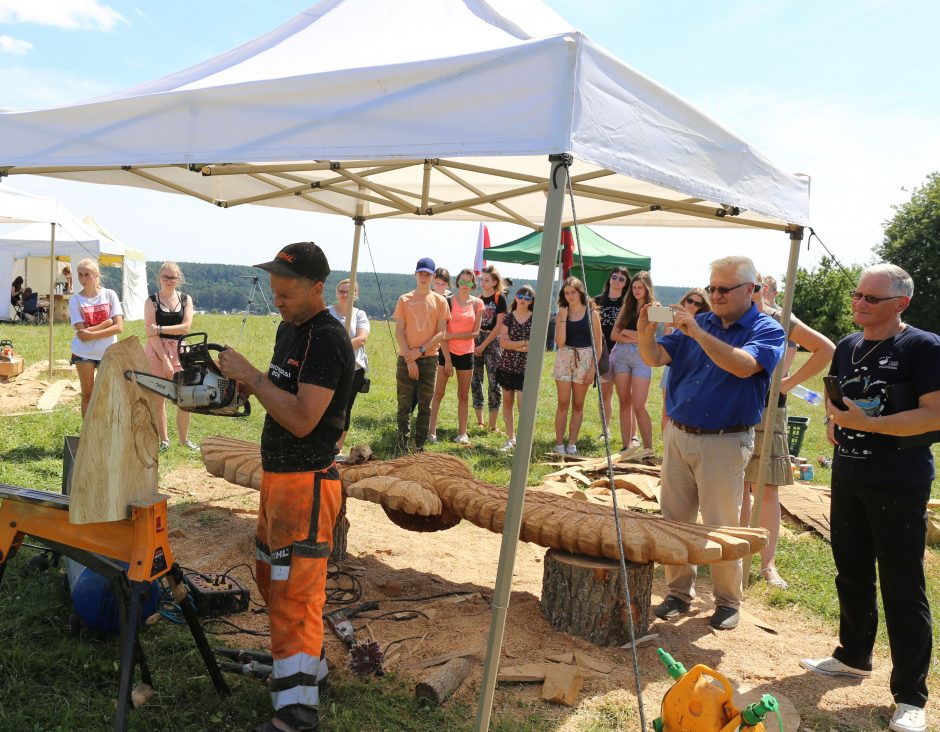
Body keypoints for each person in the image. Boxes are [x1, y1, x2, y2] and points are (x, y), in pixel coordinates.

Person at [217, 242, 354, 732]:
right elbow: (281, 393)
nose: (278, 301)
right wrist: (240, 387)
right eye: (274, 292)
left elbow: (301, 419)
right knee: (271, 578)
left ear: (317, 289)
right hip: (279, 477)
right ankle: (309, 672)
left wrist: (251, 377)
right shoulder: (288, 330)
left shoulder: (328, 340)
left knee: (295, 594)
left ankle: (296, 714)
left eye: (287, 294)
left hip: (307, 481)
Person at [800, 264, 940, 732]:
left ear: (900, 304)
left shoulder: (922, 347)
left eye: (871, 298)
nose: (859, 303)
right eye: (857, 295)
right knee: (851, 570)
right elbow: (835, 400)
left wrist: (871, 425)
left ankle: (911, 696)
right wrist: (832, 422)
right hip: (849, 475)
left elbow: (933, 416)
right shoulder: (847, 345)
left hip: (899, 481)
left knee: (902, 585)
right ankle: (854, 656)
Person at [638, 255, 785, 631]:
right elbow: (655, 357)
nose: (715, 295)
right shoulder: (699, 321)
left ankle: (727, 600)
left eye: (723, 289)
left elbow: (743, 366)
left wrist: (699, 334)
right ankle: (678, 593)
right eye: (711, 288)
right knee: (675, 520)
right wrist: (644, 331)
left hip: (724, 440)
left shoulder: (767, 329)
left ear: (750, 291)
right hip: (680, 434)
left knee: (721, 525)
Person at [740, 271, 834, 590]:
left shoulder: (780, 317)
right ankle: (735, 556)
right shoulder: (728, 315)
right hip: (732, 407)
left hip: (768, 408)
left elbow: (823, 350)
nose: (755, 291)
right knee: (737, 487)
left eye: (759, 287)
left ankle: (767, 565)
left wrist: (789, 384)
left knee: (766, 489)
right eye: (749, 286)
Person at [394, 257, 449, 452]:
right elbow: (399, 331)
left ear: (433, 276)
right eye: (421, 273)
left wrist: (420, 352)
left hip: (429, 359)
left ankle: (419, 446)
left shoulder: (441, 301)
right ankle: (402, 445)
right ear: (415, 274)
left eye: (427, 274)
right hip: (406, 359)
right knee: (404, 406)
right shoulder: (404, 299)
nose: (424, 277)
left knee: (425, 406)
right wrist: (410, 358)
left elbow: (441, 333)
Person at [144, 262, 197, 452]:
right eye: (165, 277)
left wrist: (159, 328)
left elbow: (186, 327)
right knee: (159, 397)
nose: (169, 281)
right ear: (159, 278)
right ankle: (164, 440)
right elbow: (150, 334)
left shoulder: (185, 299)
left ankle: (184, 439)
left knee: (186, 396)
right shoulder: (151, 301)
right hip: (157, 351)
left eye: (172, 277)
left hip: (181, 350)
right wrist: (165, 359)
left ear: (178, 279)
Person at [428, 268, 482, 445]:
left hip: (467, 353)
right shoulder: (447, 302)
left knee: (463, 395)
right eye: (462, 281)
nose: (465, 285)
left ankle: (462, 433)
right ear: (457, 282)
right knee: (438, 393)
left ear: (473, 284)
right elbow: (442, 334)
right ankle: (431, 432)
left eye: (469, 282)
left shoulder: (477, 304)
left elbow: (475, 333)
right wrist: (448, 360)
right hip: (447, 353)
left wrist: (451, 336)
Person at [553, 276, 603, 456]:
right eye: (566, 293)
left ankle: (572, 443)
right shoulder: (562, 313)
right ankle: (559, 443)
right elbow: (560, 342)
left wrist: (593, 369)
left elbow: (598, 345)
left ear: (581, 292)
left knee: (578, 403)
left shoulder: (592, 314)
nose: (570, 296)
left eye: (573, 292)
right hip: (565, 356)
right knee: (563, 402)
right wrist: (564, 317)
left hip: (585, 358)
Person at [69, 258, 124, 416]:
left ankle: (105, 434)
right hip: (84, 353)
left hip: (108, 353)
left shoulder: (109, 294)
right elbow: (82, 336)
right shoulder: (76, 300)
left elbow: (119, 327)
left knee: (107, 395)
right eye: (80, 275)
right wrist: (106, 324)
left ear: (96, 275)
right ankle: (88, 438)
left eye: (87, 274)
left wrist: (92, 332)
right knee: (88, 394)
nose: (83, 279)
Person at [610, 271, 655, 449]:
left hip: (642, 356)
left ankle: (648, 449)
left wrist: (626, 333)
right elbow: (614, 334)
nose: (636, 290)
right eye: (634, 287)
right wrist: (633, 337)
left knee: (639, 405)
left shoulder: (654, 308)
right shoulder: (626, 307)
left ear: (647, 288)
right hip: (621, 355)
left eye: (640, 287)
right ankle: (626, 447)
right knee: (624, 402)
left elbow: (648, 336)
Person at [327, 278, 370, 454]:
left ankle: (337, 447)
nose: (345, 295)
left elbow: (362, 338)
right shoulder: (327, 313)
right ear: (337, 293)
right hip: (329, 367)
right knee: (326, 404)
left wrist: (339, 347)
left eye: (349, 291)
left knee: (344, 407)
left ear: (355, 294)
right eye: (342, 291)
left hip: (353, 369)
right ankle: (323, 441)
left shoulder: (359, 314)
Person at [660, 289, 711, 430]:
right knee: (666, 410)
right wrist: (666, 325)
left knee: (681, 413)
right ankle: (667, 450)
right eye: (690, 300)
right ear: (684, 300)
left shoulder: (704, 324)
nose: (692, 305)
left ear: (702, 307)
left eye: (697, 303)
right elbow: (664, 343)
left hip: (690, 370)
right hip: (671, 366)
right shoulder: (673, 318)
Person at [495, 285, 534, 452]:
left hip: (526, 366)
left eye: (528, 297)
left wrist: (514, 345)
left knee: (522, 404)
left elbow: (535, 345)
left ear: (532, 301)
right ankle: (511, 438)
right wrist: (524, 343)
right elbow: (503, 343)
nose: (523, 299)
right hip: (507, 364)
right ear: (516, 297)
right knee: (508, 402)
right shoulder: (509, 318)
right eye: (521, 295)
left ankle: (524, 439)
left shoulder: (535, 319)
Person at [595, 267, 630, 439]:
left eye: (622, 279)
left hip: (625, 352)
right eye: (614, 277)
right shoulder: (596, 301)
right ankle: (605, 430)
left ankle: (633, 435)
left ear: (626, 283)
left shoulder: (629, 303)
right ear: (609, 279)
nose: (617, 280)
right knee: (605, 394)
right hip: (604, 353)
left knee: (626, 396)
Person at [472, 265, 506, 432]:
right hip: (476, 339)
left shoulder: (500, 299)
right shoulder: (477, 299)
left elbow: (499, 326)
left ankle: (493, 424)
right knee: (475, 380)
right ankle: (480, 421)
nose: (483, 283)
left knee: (494, 382)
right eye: (481, 280)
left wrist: (483, 345)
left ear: (494, 282)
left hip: (492, 341)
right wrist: (475, 344)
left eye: (486, 280)